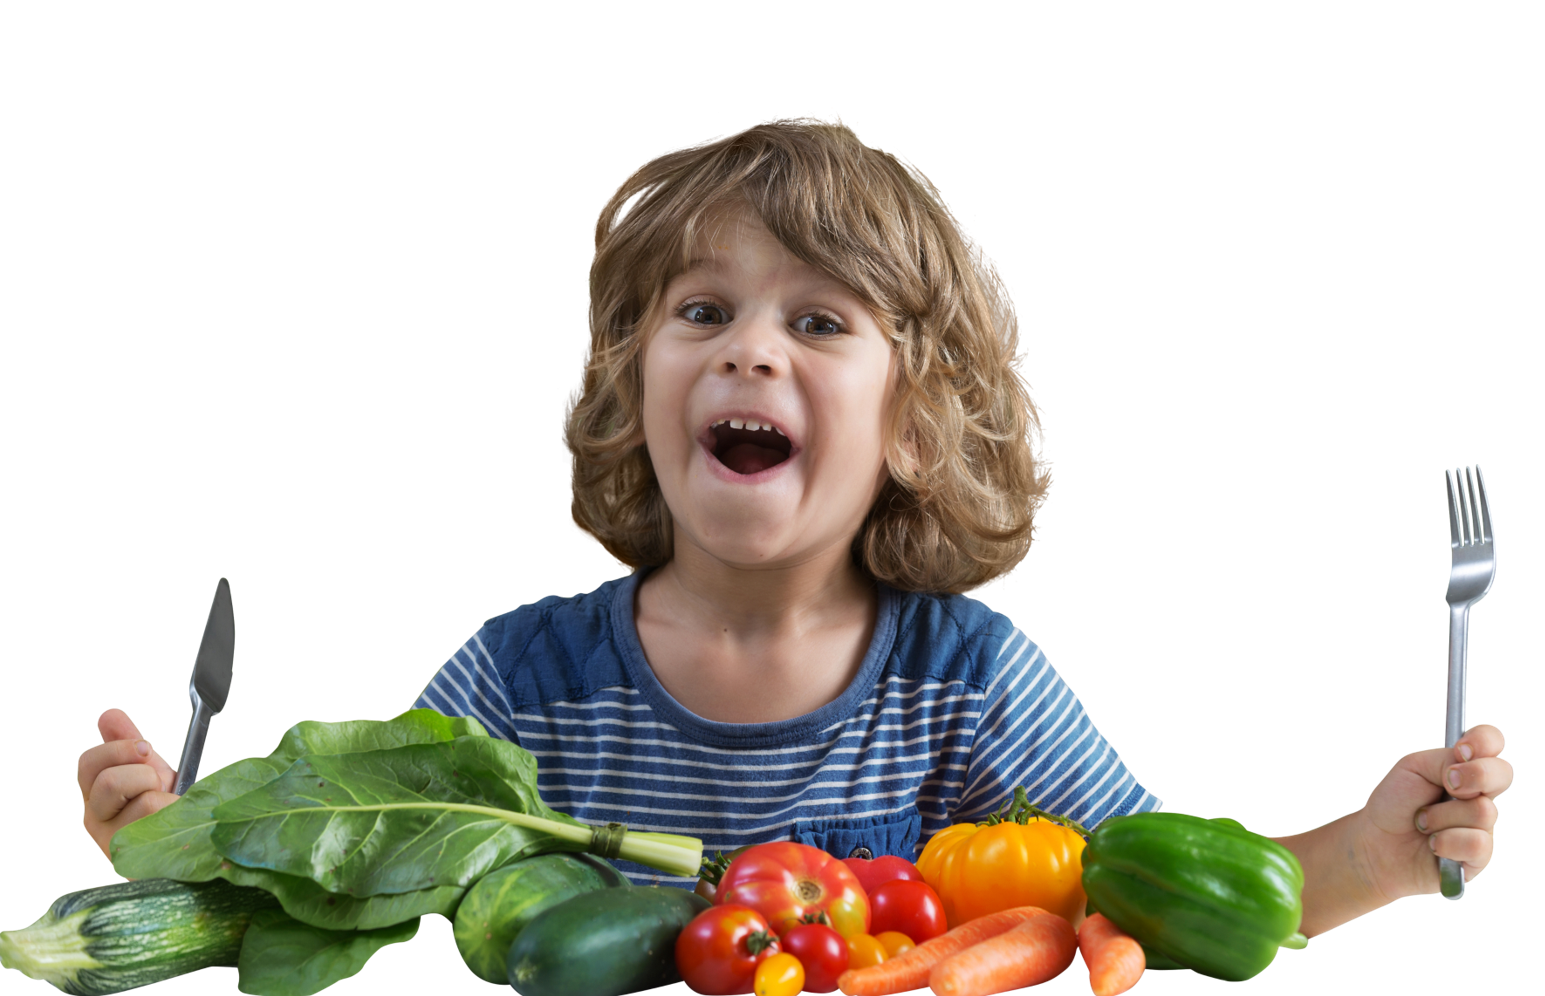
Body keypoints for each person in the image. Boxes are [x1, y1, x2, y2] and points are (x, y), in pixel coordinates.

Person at [77, 112, 1511, 941]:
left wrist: (1376, 852)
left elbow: (1162, 896)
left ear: (912, 418)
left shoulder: (970, 679)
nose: (747, 351)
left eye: (816, 321)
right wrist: (184, 842)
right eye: (701, 313)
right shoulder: (521, 679)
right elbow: (360, 880)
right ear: (634, 382)